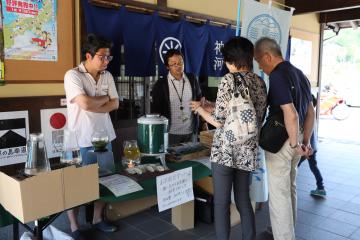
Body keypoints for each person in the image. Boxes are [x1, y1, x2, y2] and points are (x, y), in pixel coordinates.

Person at [190, 36, 267, 240]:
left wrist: (200, 109)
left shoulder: (228, 79)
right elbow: (246, 114)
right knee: (243, 200)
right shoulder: (259, 82)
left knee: (222, 202)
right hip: (248, 150)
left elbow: (218, 121)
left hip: (226, 151)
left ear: (231, 60)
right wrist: (212, 106)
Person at [254, 37, 314, 240]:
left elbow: (292, 113)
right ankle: (289, 232)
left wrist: (295, 143)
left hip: (285, 141)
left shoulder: (278, 76)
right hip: (297, 138)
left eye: (260, 63)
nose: (261, 68)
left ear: (267, 56)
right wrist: (305, 141)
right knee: (290, 188)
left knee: (279, 194)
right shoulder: (300, 74)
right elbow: (310, 112)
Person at [64, 34, 119, 239]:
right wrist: (103, 100)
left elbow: (115, 104)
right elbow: (84, 105)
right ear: (88, 55)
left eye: (108, 58)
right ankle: (74, 227)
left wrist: (97, 100)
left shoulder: (108, 76)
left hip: (105, 137)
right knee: (77, 186)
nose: (106, 61)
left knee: (107, 180)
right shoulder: (73, 75)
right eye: (102, 57)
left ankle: (97, 219)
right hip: (81, 139)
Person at [151, 49, 202, 145]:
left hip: (191, 132)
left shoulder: (192, 79)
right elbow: (156, 110)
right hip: (170, 133)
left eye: (180, 62)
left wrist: (203, 124)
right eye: (174, 64)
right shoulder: (161, 84)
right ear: (167, 66)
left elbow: (200, 100)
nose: (178, 66)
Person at [298, 94, 326, 197]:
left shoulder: (306, 115)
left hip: (307, 148)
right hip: (313, 147)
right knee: (313, 166)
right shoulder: (312, 115)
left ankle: (290, 185)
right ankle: (321, 187)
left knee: (294, 166)